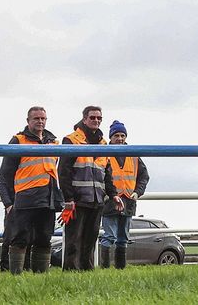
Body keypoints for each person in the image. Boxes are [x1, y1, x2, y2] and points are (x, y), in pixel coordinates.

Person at [0, 106, 64, 274]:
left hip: (47, 199)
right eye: (36, 118)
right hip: (24, 199)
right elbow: (4, 177)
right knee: (19, 239)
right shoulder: (18, 141)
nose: (40, 121)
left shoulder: (53, 142)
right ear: (28, 121)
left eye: (43, 118)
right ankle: (15, 276)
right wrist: (8, 203)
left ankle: (40, 277)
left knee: (44, 238)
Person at [58, 105, 123, 270]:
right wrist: (69, 199)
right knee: (73, 241)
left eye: (99, 118)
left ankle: (87, 274)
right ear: (85, 119)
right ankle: (71, 274)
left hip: (97, 200)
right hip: (77, 200)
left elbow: (107, 173)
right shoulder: (71, 140)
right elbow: (63, 172)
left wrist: (113, 194)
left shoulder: (103, 144)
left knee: (90, 240)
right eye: (93, 117)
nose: (96, 121)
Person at [99, 120, 149, 269]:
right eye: (116, 135)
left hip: (128, 200)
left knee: (123, 238)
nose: (120, 138)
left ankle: (120, 269)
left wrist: (137, 192)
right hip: (110, 201)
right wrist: (105, 193)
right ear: (111, 137)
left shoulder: (134, 155)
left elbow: (144, 176)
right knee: (109, 236)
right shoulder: (104, 154)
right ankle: (105, 269)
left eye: (122, 135)